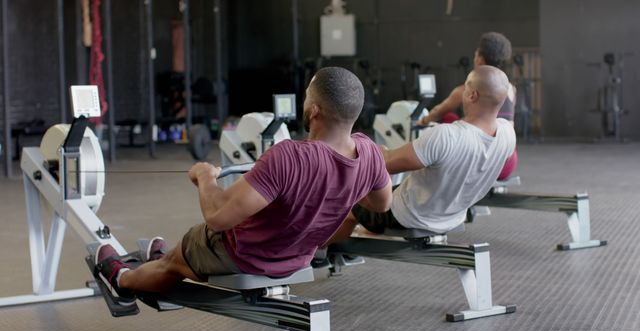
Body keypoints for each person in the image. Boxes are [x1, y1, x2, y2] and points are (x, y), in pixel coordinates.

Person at [95, 67, 393, 306]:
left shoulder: (289, 156)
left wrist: (204, 177)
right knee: (185, 251)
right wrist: (342, 188)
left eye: (305, 98)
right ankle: (165, 258)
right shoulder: (369, 153)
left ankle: (121, 280)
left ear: (314, 111)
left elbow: (218, 216)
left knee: (180, 256)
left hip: (245, 256)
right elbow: (381, 204)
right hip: (297, 258)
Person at [327, 65, 516, 242]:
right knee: (387, 191)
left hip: (409, 215)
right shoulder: (507, 133)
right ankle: (362, 235)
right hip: (452, 216)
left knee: (347, 202)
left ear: (473, 95)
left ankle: (319, 252)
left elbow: (383, 164)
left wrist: (351, 147)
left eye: (465, 88)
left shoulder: (447, 135)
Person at [418, 32, 517, 180]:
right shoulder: (511, 89)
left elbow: (438, 112)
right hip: (508, 163)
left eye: (475, 54)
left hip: (482, 163)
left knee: (448, 117)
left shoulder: (466, 91)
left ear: (480, 60)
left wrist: (423, 121)